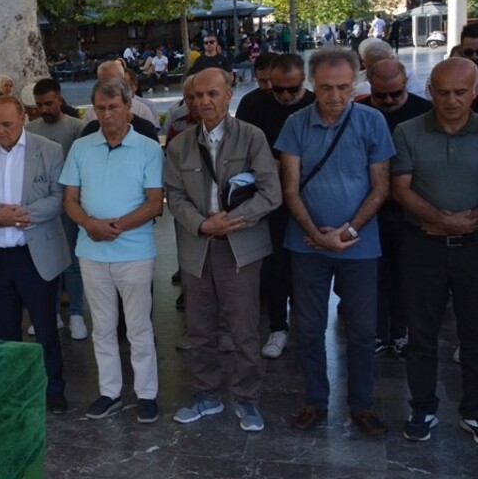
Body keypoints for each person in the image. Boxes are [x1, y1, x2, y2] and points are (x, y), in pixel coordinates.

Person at [276, 47, 394, 437]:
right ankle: (315, 401)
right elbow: (290, 190)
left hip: (359, 246)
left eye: (344, 87)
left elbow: (381, 187)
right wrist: (316, 234)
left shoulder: (372, 122)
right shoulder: (295, 124)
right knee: (308, 330)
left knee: (362, 331)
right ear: (312, 84)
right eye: (326, 87)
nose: (335, 96)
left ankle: (361, 404)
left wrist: (347, 233)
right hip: (306, 246)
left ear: (357, 81)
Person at [164, 69, 281, 432]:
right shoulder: (180, 144)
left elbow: (270, 193)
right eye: (196, 96)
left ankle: (247, 400)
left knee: (244, 329)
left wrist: (232, 220)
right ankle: (207, 396)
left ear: (229, 95)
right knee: (199, 329)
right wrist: (201, 224)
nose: (204, 102)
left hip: (240, 248)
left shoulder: (251, 138)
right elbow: (175, 195)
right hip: (197, 248)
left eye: (212, 94)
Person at [60, 79, 164, 423]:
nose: (107, 116)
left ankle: (147, 393)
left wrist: (114, 226)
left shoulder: (149, 148)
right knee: (102, 327)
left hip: (134, 252)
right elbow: (70, 200)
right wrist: (90, 225)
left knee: (138, 328)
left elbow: (153, 204)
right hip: (91, 252)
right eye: (100, 109)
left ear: (128, 107)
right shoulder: (81, 148)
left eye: (113, 108)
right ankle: (110, 392)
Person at [0, 96, 72, 411]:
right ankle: (13, 391)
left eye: (6, 124)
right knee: (4, 331)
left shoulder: (48, 149)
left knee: (46, 328)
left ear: (23, 118)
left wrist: (22, 215)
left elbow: (59, 197)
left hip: (35, 254)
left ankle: (54, 389)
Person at [391, 57, 478, 443]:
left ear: (475, 91)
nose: (452, 100)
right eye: (443, 93)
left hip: (474, 247)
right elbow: (400, 188)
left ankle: (474, 411)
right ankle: (423, 409)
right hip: (422, 247)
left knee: (474, 333)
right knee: (421, 334)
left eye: (461, 92)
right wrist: (442, 220)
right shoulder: (409, 131)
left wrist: (467, 220)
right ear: (430, 92)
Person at [235, 53, 315, 360]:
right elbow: (241, 150)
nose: (283, 95)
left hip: (308, 198)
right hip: (270, 200)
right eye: (276, 88)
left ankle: (307, 325)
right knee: (275, 265)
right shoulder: (254, 104)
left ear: (303, 81)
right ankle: (278, 326)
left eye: (290, 89)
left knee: (307, 266)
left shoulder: (314, 104)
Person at [360, 59, 432, 357]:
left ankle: (400, 330)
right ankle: (376, 331)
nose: (389, 100)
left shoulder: (423, 112)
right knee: (373, 273)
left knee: (407, 274)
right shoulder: (361, 111)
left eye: (395, 94)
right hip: (370, 208)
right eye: (382, 95)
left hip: (410, 208)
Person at [24, 78, 88, 340]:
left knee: (71, 262)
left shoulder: (77, 128)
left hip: (69, 204)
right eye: (39, 105)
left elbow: (82, 169)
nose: (44, 109)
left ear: (60, 100)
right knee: (44, 263)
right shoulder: (30, 129)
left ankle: (76, 313)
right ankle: (49, 314)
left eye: (49, 103)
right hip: (39, 207)